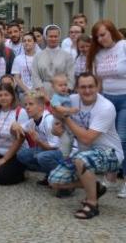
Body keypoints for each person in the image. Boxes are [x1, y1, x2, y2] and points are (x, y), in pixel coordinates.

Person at [48, 73, 125, 219]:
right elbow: (55, 111)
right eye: (83, 87)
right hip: (84, 154)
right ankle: (95, 186)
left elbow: (86, 139)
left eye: (91, 86)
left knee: (82, 160)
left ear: (98, 87)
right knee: (55, 181)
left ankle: (92, 204)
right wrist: (55, 129)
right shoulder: (71, 100)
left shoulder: (106, 107)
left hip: (111, 154)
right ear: (76, 88)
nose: (87, 90)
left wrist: (66, 117)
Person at [86, 19, 126, 196]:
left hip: (125, 98)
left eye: (103, 34)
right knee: (109, 140)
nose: (101, 39)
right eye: (97, 37)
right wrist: (96, 101)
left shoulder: (123, 46)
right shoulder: (98, 54)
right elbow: (99, 81)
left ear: (112, 31)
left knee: (123, 139)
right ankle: (111, 176)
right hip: (107, 100)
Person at [13, 90, 62, 190]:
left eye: (31, 104)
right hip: (49, 150)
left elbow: (55, 148)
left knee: (42, 157)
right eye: (26, 104)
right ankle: (50, 174)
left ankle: (64, 179)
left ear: (41, 107)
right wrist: (14, 125)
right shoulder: (32, 121)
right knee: (22, 155)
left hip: (64, 153)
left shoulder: (49, 120)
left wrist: (38, 140)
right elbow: (19, 128)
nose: (27, 107)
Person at [31, 25, 74, 93]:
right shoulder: (38, 56)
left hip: (62, 91)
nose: (53, 39)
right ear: (46, 37)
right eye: (50, 36)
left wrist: (65, 90)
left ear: (59, 37)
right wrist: (41, 90)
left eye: (55, 36)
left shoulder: (67, 56)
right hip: (43, 91)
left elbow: (71, 76)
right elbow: (35, 75)